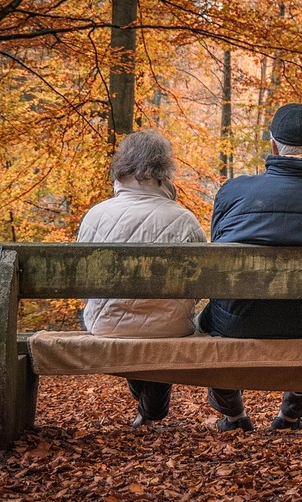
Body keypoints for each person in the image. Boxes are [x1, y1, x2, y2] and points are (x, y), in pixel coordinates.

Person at [197, 102, 302, 432]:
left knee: (213, 316)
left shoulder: (233, 192)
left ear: (273, 146)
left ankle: (233, 416)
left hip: (236, 321)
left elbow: (220, 251)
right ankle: (291, 416)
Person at [79, 129, 207, 428]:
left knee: (133, 329)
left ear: (121, 168)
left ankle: (150, 411)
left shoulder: (95, 216)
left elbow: (85, 286)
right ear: (165, 170)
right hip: (171, 326)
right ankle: (153, 410)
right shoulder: (184, 219)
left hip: (105, 324)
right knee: (160, 327)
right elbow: (200, 285)